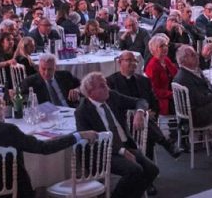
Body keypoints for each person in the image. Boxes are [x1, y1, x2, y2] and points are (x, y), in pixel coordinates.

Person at [0, 91, 98, 198]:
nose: (3, 110)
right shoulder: (8, 130)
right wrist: (79, 135)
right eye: (1, 106)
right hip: (14, 191)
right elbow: (43, 148)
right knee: (42, 190)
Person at [107, 51, 181, 195]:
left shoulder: (143, 80)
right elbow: (112, 106)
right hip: (122, 122)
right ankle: (166, 143)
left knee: (146, 132)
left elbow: (152, 101)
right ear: (119, 62)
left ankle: (148, 181)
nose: (132, 64)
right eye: (128, 61)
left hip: (143, 120)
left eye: (134, 61)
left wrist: (150, 112)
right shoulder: (111, 82)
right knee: (146, 127)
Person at [75, 72, 159, 198]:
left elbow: (141, 101)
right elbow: (92, 140)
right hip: (102, 153)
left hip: (125, 145)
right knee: (135, 170)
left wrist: (140, 112)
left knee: (152, 169)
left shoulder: (112, 96)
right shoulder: (82, 111)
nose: (107, 88)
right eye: (102, 86)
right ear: (90, 92)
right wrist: (120, 151)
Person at [144, 34, 177, 115]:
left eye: (166, 45)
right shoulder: (152, 66)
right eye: (161, 46)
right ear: (154, 49)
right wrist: (172, 94)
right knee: (188, 106)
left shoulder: (166, 60)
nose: (165, 48)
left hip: (173, 94)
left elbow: (176, 74)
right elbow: (154, 91)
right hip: (162, 100)